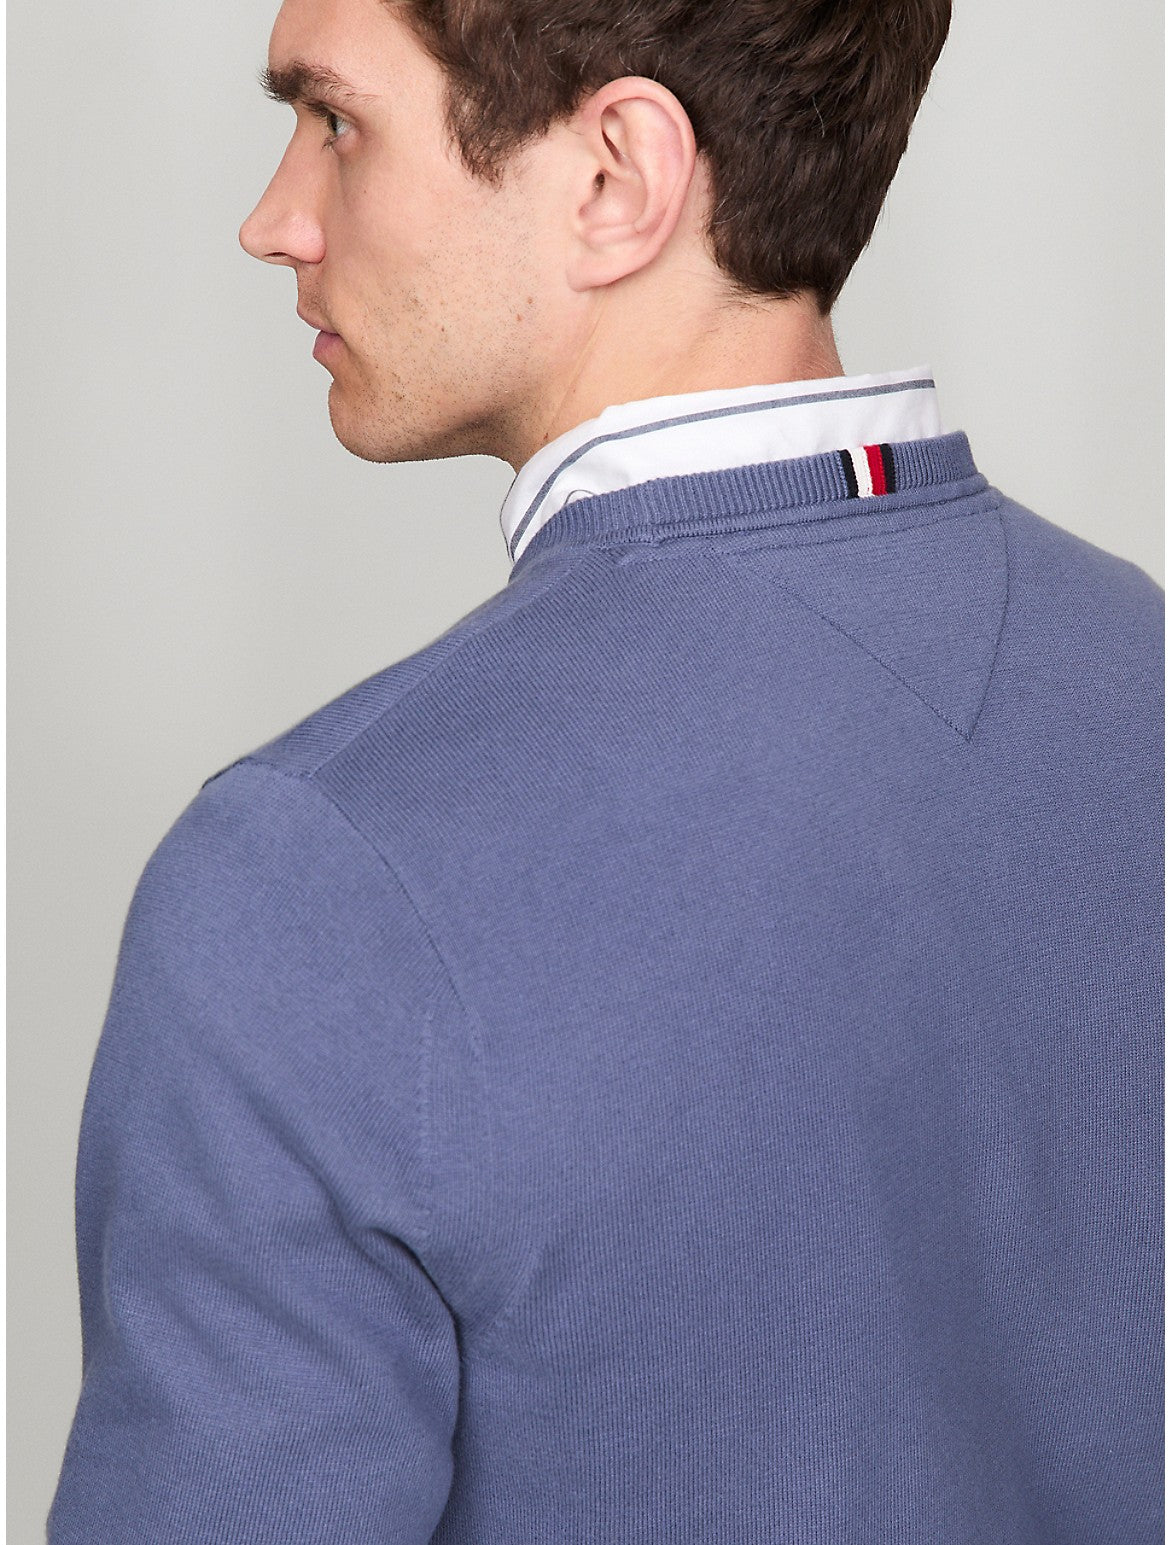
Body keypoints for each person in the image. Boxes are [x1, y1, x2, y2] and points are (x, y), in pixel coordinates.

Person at [48, 0, 1162, 1538]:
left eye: (335, 121)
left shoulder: (307, 881)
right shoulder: (1137, 666)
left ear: (615, 176)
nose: (274, 218)